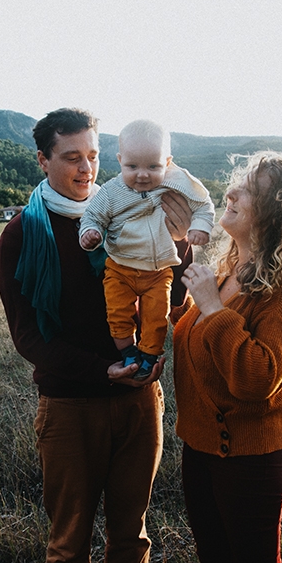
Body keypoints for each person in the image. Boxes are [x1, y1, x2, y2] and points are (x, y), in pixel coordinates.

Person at [0, 107, 194, 563]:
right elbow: (28, 338)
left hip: (139, 402)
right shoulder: (23, 234)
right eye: (71, 158)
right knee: (69, 543)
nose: (86, 170)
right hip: (70, 407)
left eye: (94, 155)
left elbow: (171, 303)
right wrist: (101, 370)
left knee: (133, 535)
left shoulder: (132, 209)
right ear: (43, 160)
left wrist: (178, 244)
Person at [172, 151, 282, 563]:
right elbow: (197, 337)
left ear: (275, 213)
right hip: (200, 449)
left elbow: (256, 379)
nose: (231, 192)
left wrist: (214, 310)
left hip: (252, 458)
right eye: (236, 183)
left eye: (248, 190)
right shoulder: (228, 271)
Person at [79, 119, 215, 380]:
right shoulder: (111, 192)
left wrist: (200, 227)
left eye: (153, 166)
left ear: (167, 161)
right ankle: (128, 351)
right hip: (120, 267)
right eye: (132, 166)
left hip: (159, 270)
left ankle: (149, 355)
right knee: (118, 313)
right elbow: (92, 216)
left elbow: (203, 204)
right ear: (120, 160)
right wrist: (90, 233)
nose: (142, 174)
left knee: (156, 317)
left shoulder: (176, 182)